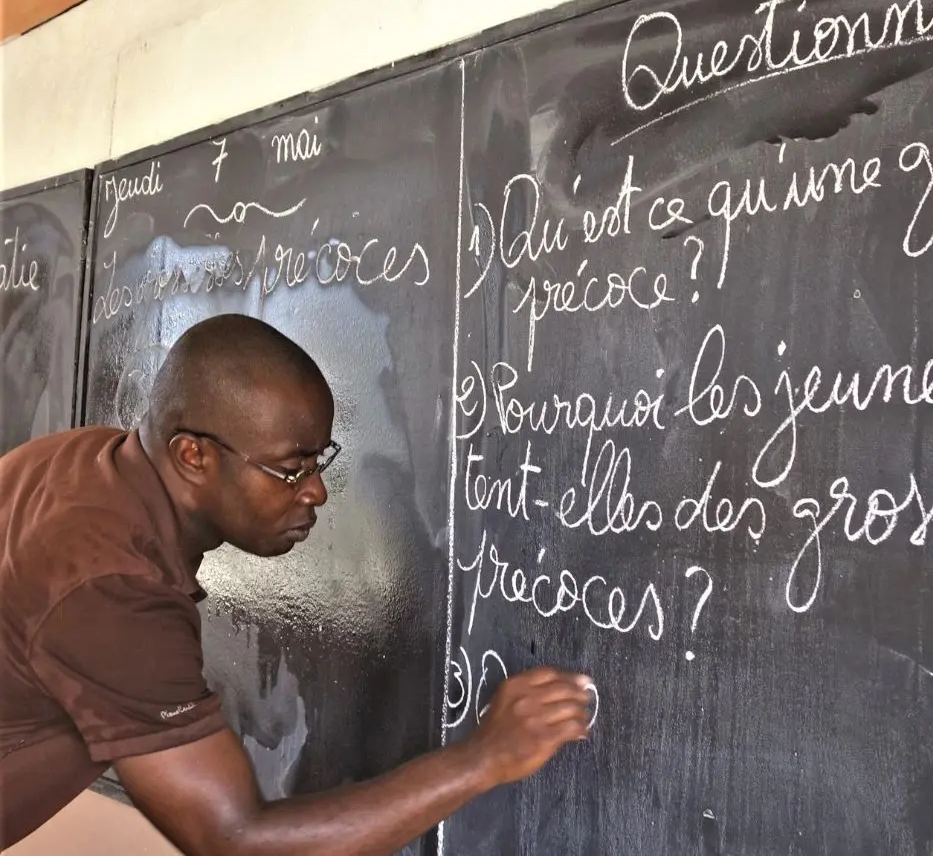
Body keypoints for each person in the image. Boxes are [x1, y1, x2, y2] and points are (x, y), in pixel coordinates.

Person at [0, 313, 593, 853]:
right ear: (193, 457)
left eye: (319, 461)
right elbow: (234, 838)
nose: (315, 491)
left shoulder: (80, 464)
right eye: (290, 469)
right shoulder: (110, 587)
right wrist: (483, 759)